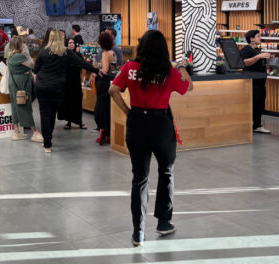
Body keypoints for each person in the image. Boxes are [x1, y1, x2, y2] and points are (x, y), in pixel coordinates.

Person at [110, 29, 193, 248]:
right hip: (161, 125)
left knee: (140, 178)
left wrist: (128, 112)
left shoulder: (130, 67)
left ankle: (138, 232)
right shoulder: (168, 71)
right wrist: (181, 67)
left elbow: (113, 89)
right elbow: (188, 87)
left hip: (137, 124)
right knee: (166, 172)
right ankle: (164, 223)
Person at [33, 30, 98, 153]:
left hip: (42, 87)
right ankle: (48, 140)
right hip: (57, 88)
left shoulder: (43, 52)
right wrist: (97, 71)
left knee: (44, 114)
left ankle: (47, 143)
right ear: (61, 39)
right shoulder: (66, 53)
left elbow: (35, 70)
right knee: (52, 114)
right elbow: (82, 63)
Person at [6, 36, 42, 142]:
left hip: (13, 82)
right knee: (25, 105)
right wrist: (27, 54)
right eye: (22, 43)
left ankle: (17, 131)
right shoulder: (20, 56)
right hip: (22, 82)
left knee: (15, 105)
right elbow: (33, 65)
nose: (23, 45)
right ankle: (35, 132)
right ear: (18, 45)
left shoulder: (10, 55)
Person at [240, 30, 272, 134]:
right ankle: (251, 125)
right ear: (252, 39)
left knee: (260, 105)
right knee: (253, 104)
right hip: (252, 83)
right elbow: (245, 63)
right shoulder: (246, 50)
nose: (260, 38)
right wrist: (258, 57)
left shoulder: (258, 49)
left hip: (261, 82)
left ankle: (257, 125)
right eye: (258, 36)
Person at [94, 31, 119, 145]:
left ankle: (104, 133)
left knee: (102, 109)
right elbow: (112, 68)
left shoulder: (105, 54)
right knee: (108, 109)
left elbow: (104, 70)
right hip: (112, 81)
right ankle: (109, 134)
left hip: (103, 83)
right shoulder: (112, 53)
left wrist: (96, 69)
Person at [58, 38, 88, 130]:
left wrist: (83, 80)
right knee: (68, 102)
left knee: (77, 102)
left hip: (76, 82)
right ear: (66, 44)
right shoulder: (64, 55)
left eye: (73, 43)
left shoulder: (78, 55)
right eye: (70, 43)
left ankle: (80, 122)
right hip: (66, 82)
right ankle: (69, 122)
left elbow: (83, 67)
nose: (72, 44)